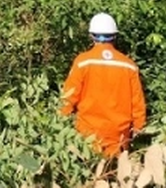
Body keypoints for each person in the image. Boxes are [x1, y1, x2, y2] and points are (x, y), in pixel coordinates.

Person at [60, 13, 147, 157]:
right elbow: (137, 102)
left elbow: (69, 96)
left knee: (91, 175)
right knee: (114, 175)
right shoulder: (129, 65)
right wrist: (138, 127)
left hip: (87, 135)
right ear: (114, 35)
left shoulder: (82, 62)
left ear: (92, 35)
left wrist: (61, 120)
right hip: (119, 136)